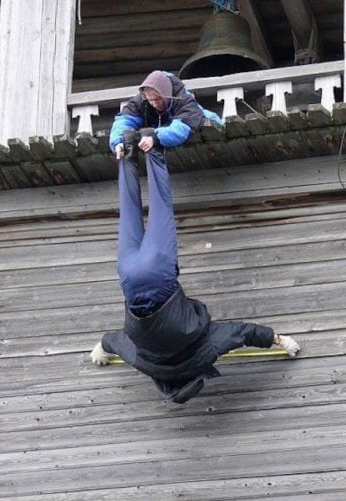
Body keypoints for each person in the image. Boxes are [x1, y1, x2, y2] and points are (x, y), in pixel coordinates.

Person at [90, 131, 300, 404]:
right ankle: (127, 154)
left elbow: (241, 332)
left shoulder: (202, 353)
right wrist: (100, 348)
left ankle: (151, 148)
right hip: (128, 280)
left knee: (161, 206)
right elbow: (115, 341)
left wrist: (280, 340)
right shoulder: (144, 363)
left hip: (159, 275)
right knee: (128, 212)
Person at [109, 70, 223, 157]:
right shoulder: (141, 101)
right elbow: (124, 121)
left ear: (166, 95)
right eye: (150, 100)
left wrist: (155, 137)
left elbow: (181, 128)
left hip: (213, 138)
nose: (154, 104)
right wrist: (118, 142)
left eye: (158, 99)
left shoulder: (184, 100)